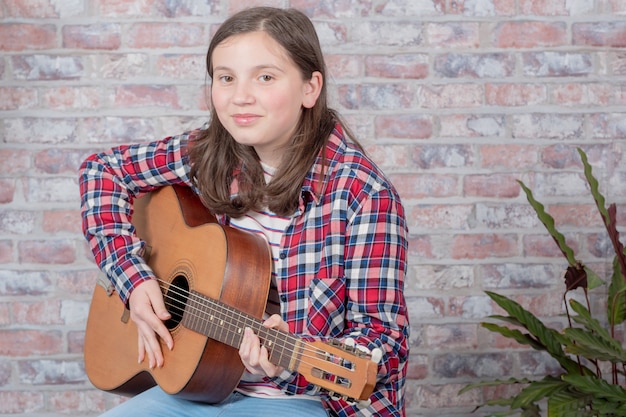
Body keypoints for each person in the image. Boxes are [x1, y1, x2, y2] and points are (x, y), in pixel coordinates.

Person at [79, 6, 409, 417]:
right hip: (199, 387)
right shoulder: (210, 153)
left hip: (306, 401)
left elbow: (383, 344)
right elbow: (103, 170)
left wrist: (290, 363)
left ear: (310, 88)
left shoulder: (363, 195)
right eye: (226, 77)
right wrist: (134, 280)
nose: (240, 96)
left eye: (265, 76)